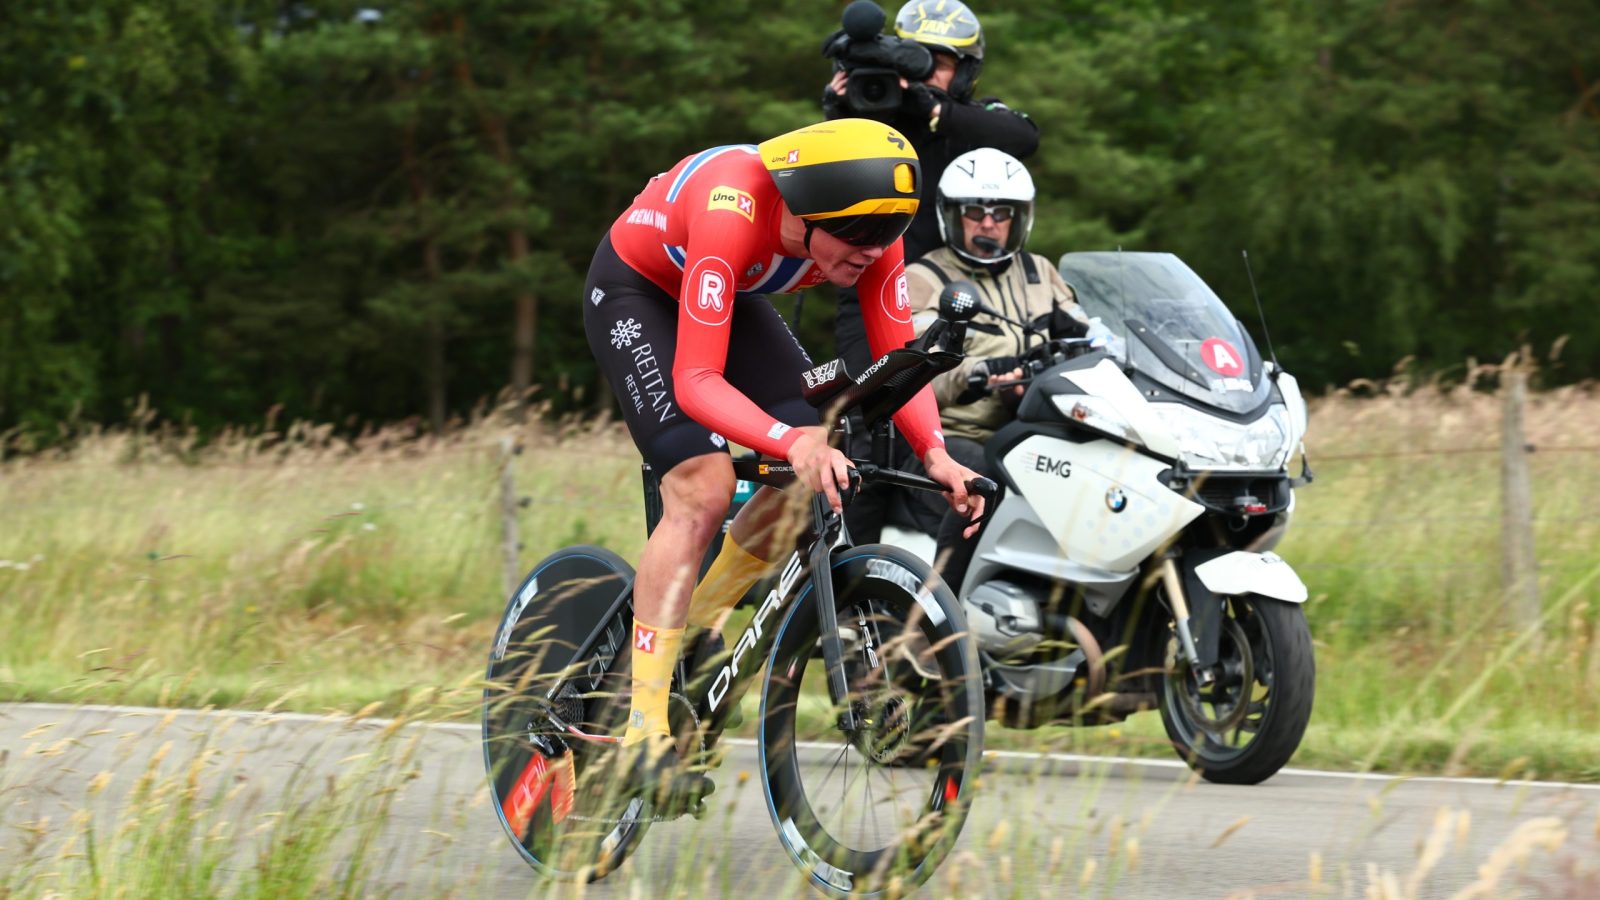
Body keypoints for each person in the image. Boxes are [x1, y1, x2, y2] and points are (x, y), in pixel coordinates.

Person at [582, 118, 987, 807]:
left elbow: (898, 352)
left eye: (885, 236)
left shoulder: (871, 232)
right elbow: (696, 383)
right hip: (638, 291)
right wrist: (788, 439)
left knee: (819, 452)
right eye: (856, 238)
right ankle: (642, 730)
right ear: (802, 215)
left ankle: (701, 622)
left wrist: (937, 453)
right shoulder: (730, 207)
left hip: (733, 297)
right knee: (704, 488)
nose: (872, 251)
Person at [824, 0, 1038, 542]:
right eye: (914, 58)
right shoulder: (880, 119)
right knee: (862, 431)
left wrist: (931, 106)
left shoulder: (974, 119)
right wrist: (839, 107)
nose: (925, 70)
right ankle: (845, 587)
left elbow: (1023, 137)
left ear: (965, 70)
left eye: (939, 60)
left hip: (959, 298)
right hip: (875, 294)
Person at [904, 147, 1088, 594]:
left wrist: (1084, 339)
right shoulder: (924, 277)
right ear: (953, 216)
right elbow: (917, 370)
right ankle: (932, 626)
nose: (989, 224)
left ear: (1018, 218)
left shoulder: (1040, 271)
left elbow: (1090, 336)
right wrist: (980, 374)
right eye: (975, 212)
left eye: (1001, 213)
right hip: (950, 439)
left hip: (1037, 429)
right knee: (988, 482)